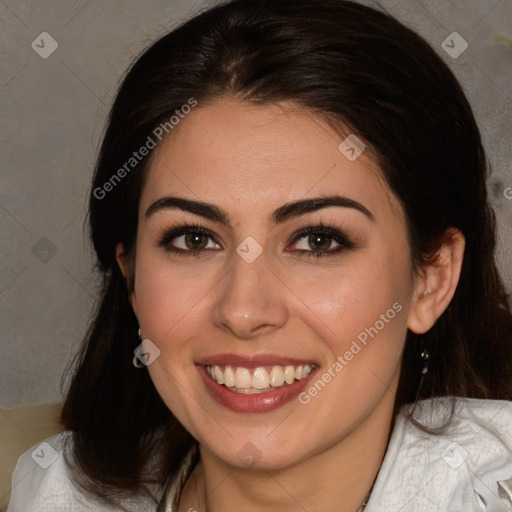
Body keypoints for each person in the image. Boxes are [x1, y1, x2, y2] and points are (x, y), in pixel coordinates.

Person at [8, 0, 512, 510]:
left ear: (432, 279)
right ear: (131, 277)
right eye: (194, 240)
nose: (244, 311)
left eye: (318, 240)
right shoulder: (57, 491)